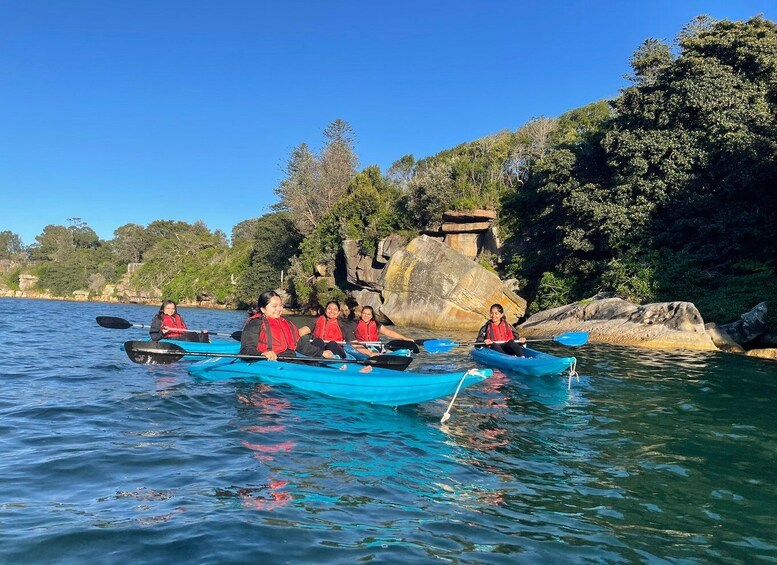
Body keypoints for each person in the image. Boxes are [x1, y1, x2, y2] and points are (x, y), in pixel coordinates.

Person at [240, 291, 333, 360]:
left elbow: (301, 345)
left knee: (316, 364)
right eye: (274, 306)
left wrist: (321, 353)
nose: (279, 309)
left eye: (280, 305)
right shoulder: (255, 324)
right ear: (263, 309)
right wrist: (262, 354)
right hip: (271, 362)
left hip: (290, 360)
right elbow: (246, 350)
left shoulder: (287, 322)